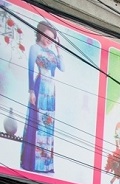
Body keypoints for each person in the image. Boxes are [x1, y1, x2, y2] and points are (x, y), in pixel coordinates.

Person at [20, 21, 63, 174]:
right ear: (40, 34)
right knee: (37, 123)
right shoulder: (34, 49)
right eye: (46, 36)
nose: (48, 40)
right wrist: (31, 91)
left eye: (51, 38)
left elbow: (62, 68)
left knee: (47, 126)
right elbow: (30, 70)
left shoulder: (52, 53)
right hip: (39, 87)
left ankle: (45, 164)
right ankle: (32, 163)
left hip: (51, 92)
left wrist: (58, 50)